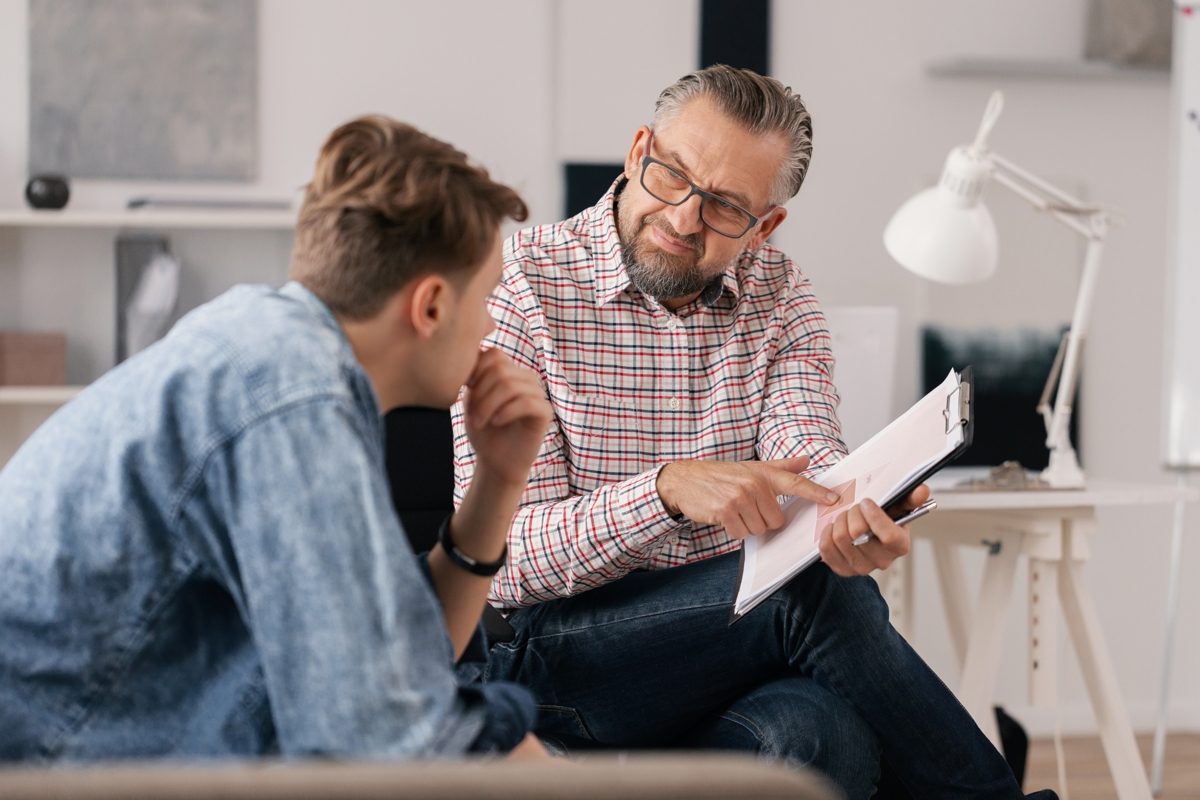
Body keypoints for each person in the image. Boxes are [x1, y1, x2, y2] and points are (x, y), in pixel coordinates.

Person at [452, 65, 1053, 799]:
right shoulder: (523, 283)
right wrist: (667, 491)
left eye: (726, 208)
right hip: (560, 658)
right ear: (639, 150)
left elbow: (810, 453)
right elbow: (508, 562)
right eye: (671, 176)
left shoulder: (781, 292)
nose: (682, 219)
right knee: (810, 600)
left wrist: (850, 512)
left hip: (726, 659)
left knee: (823, 740)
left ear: (766, 225)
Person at [0, 115, 553, 762]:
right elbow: (382, 739)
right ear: (430, 306)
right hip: (49, 760)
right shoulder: (293, 399)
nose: (489, 326)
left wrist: (500, 478)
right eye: (486, 298)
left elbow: (400, 663)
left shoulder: (271, 344)